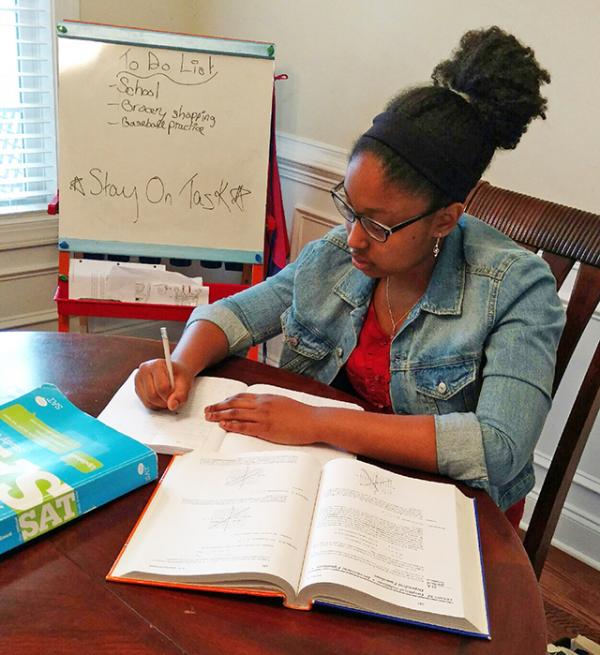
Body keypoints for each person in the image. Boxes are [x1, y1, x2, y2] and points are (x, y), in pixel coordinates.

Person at [135, 26, 565, 529]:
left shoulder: (518, 290)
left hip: (451, 515)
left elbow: (499, 448)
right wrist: (182, 364)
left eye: (378, 225)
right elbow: (237, 313)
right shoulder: (339, 253)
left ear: (445, 220)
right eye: (350, 209)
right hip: (336, 476)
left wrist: (318, 423)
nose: (354, 238)